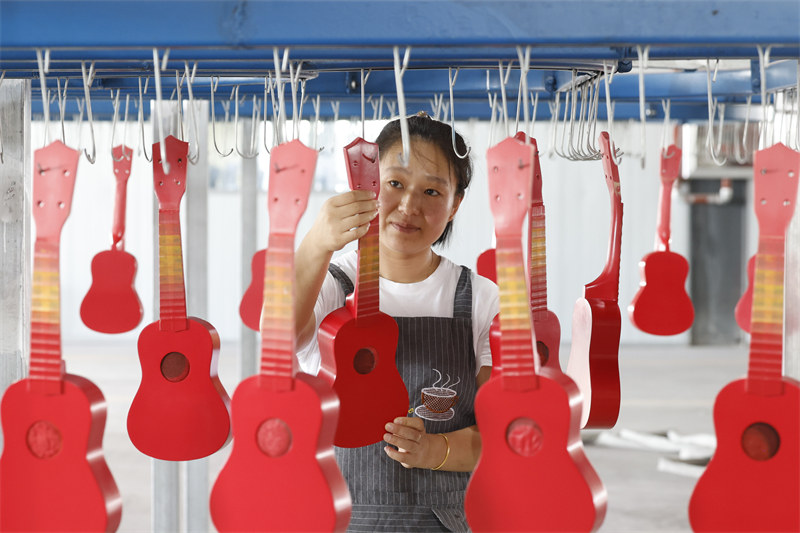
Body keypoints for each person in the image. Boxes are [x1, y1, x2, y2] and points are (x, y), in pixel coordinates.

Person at [295, 112, 498, 532]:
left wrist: (435, 449)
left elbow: (505, 431)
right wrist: (315, 243)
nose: (409, 206)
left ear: (455, 204)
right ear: (368, 187)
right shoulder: (334, 284)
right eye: (395, 184)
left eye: (431, 191)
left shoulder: (481, 297)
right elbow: (278, 336)